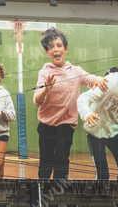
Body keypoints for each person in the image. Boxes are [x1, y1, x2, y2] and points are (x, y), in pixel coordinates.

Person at [34, 27, 106, 180]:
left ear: (65, 49)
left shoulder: (76, 71)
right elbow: (37, 101)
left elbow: (92, 79)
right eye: (51, 47)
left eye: (59, 45)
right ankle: (42, 193)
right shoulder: (44, 72)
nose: (56, 49)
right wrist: (46, 89)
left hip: (66, 123)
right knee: (46, 161)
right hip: (46, 124)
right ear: (47, 52)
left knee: (61, 158)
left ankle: (59, 194)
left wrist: (106, 80)